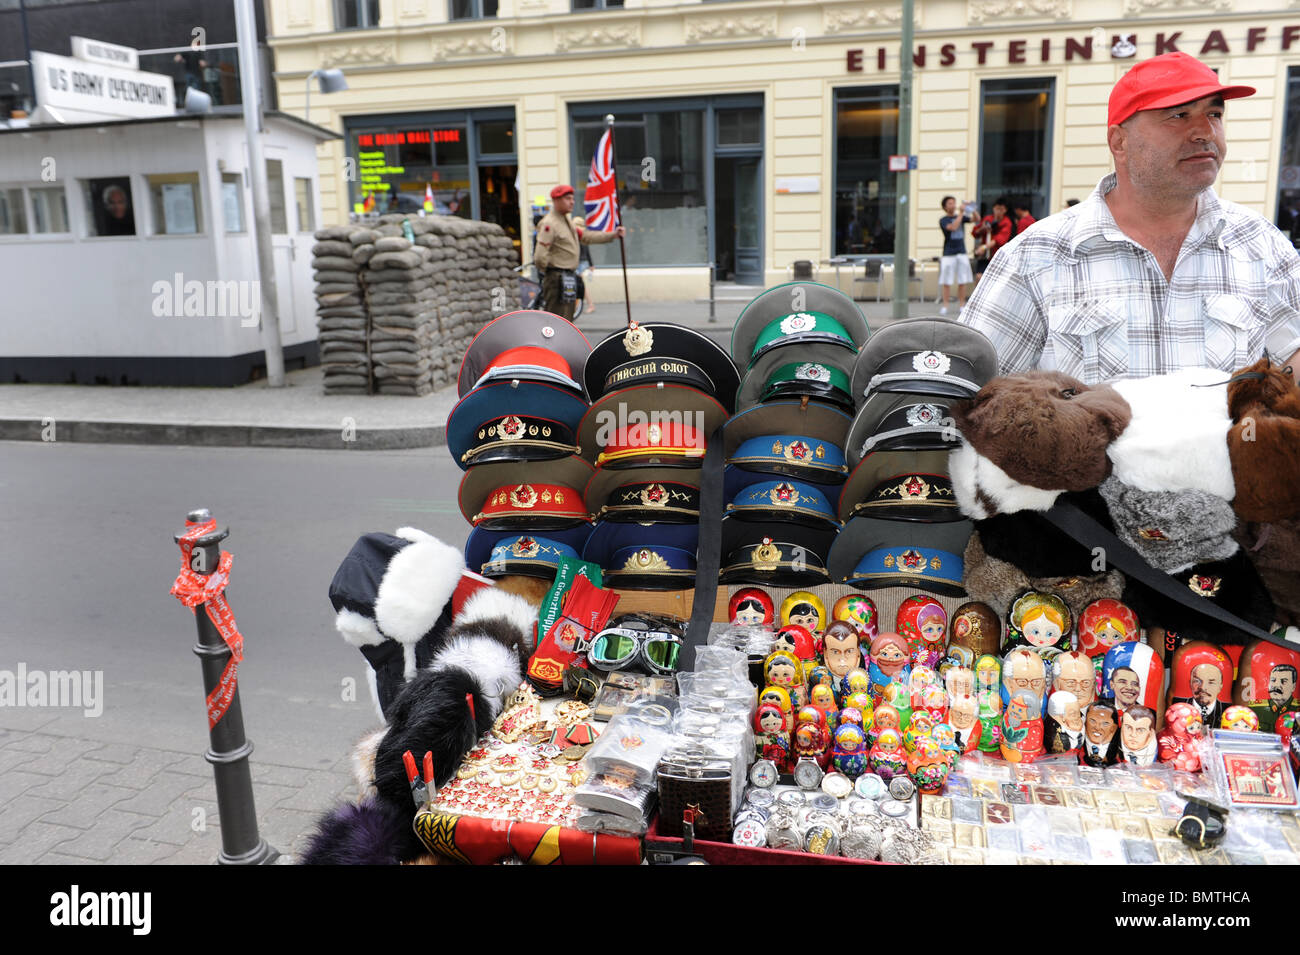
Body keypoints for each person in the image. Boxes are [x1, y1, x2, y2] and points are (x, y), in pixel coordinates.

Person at [962, 52, 1300, 384]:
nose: (1206, 132)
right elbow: (970, 393)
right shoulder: (1034, 257)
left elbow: (1294, 356)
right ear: (1119, 142)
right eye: (1179, 115)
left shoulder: (1260, 244)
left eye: (1214, 114)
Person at [533, 184, 624, 322]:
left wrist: (612, 235)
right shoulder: (549, 224)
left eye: (573, 199)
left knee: (567, 320)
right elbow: (540, 257)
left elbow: (586, 237)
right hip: (556, 278)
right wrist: (551, 273)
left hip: (567, 278)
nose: (572, 202)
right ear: (556, 200)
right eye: (567, 198)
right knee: (555, 322)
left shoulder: (567, 222)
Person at [938, 196, 975, 315]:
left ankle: (962, 305)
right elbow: (953, 227)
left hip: (962, 252)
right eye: (950, 203)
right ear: (945, 207)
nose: (953, 205)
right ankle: (945, 306)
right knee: (946, 281)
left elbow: (976, 219)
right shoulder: (943, 220)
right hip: (948, 253)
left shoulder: (962, 216)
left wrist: (972, 208)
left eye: (954, 203)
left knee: (962, 280)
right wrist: (961, 212)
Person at [970, 197, 1012, 280]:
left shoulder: (1006, 222)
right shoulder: (987, 219)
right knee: (979, 277)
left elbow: (999, 239)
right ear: (993, 208)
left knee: (995, 279)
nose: (998, 211)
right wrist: (982, 228)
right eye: (997, 209)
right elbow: (975, 233)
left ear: (1005, 210)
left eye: (1001, 209)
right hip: (984, 255)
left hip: (997, 255)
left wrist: (984, 247)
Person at [575, 217, 596, 315]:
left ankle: (590, 305)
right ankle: (576, 306)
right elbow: (588, 251)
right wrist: (591, 264)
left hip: (579, 263)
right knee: (577, 284)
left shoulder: (578, 235)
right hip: (583, 262)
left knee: (580, 285)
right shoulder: (583, 234)